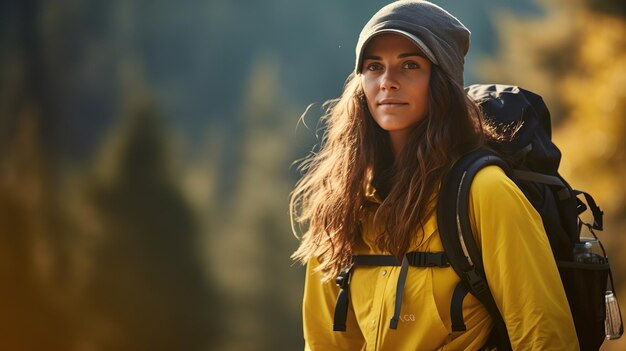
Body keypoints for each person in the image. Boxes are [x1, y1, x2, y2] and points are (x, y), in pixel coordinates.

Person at [290, 1, 579, 350]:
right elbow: (325, 343)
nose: (387, 82)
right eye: (374, 67)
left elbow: (544, 335)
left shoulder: (484, 191)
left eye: (410, 65)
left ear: (442, 81)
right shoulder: (344, 202)